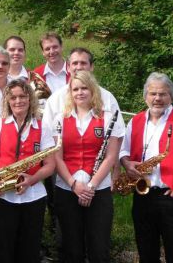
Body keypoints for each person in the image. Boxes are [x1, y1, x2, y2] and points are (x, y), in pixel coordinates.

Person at [119, 72, 173, 263]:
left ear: (171, 96)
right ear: (145, 96)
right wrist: (126, 163)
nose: (157, 98)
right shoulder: (135, 121)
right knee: (146, 251)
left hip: (171, 195)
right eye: (153, 93)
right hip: (142, 194)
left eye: (162, 94)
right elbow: (123, 151)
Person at [0, 79, 56, 263]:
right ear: (8, 101)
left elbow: (50, 165)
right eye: (13, 98)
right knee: (1, 250)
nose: (18, 101)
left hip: (34, 197)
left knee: (29, 250)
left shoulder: (43, 127)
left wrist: (31, 180)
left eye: (22, 96)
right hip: (3, 196)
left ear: (30, 99)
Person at [52, 71, 123, 262]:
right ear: (70, 92)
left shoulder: (107, 117)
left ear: (93, 90)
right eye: (75, 89)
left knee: (99, 248)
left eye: (84, 88)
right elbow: (57, 157)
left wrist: (90, 187)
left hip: (98, 190)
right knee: (71, 249)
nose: (80, 93)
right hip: (67, 188)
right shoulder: (60, 118)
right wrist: (73, 184)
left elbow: (111, 156)